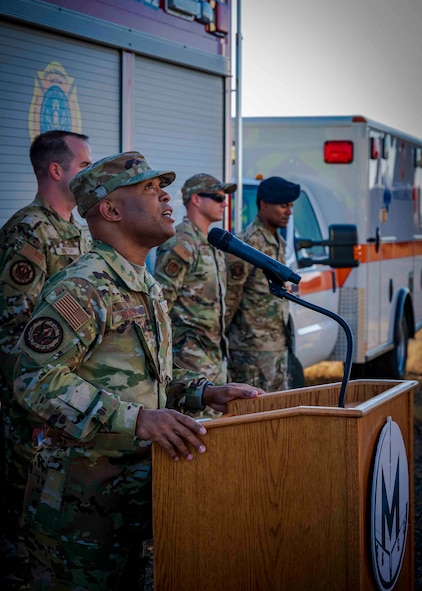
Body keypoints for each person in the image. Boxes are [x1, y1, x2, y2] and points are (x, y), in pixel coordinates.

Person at [13, 151, 262, 590]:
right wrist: (139, 420)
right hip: (79, 509)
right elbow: (35, 379)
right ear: (109, 210)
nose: (165, 195)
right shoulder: (83, 286)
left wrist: (204, 393)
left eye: (161, 187)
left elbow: (147, 378)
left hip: (131, 497)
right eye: (148, 188)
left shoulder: (143, 283)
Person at [0, 129, 92, 589]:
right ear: (56, 170)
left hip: (71, 399)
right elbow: (13, 328)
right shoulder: (29, 230)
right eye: (82, 165)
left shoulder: (77, 231)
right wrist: (37, 406)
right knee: (25, 508)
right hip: (36, 403)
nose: (89, 172)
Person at [154, 173, 236, 390]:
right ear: (196, 199)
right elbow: (161, 304)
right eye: (217, 197)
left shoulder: (213, 242)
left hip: (213, 355)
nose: (224, 203)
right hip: (188, 359)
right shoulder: (181, 242)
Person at [225, 176, 301, 392]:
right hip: (251, 351)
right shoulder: (249, 244)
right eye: (283, 206)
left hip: (276, 344)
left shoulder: (276, 240)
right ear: (264, 204)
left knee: (277, 412)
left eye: (291, 206)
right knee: (254, 416)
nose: (289, 212)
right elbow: (231, 296)